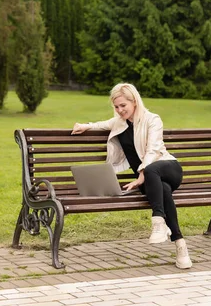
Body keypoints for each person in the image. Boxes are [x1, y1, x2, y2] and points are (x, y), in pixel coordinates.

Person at [71, 83, 192, 269]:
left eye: (123, 106)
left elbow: (152, 150)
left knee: (153, 172)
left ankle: (158, 221)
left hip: (168, 168)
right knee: (163, 191)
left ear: (134, 101)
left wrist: (142, 174)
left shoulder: (152, 119)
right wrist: (85, 126)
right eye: (116, 106)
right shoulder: (119, 122)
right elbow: (100, 125)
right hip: (151, 180)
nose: (119, 110)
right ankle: (180, 244)